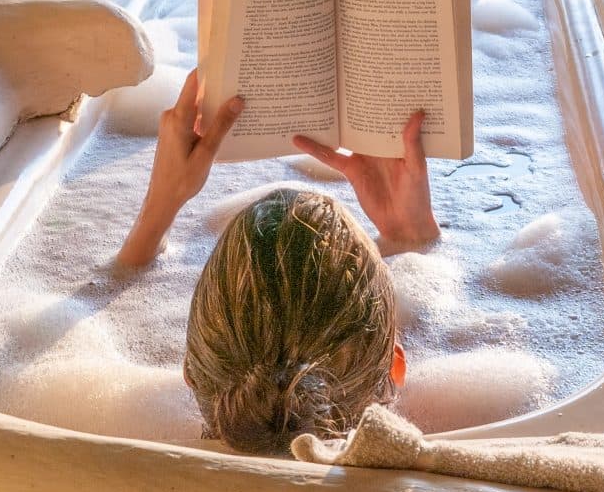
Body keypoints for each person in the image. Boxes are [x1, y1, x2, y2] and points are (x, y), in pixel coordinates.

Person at [114, 72, 440, 454]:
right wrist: (411, 237)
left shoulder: (111, 440)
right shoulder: (447, 458)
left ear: (189, 372)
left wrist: (157, 211)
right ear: (396, 367)